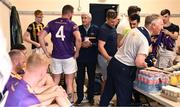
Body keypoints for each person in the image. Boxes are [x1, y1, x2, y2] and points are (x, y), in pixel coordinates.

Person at [99, 14, 164, 106]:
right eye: (161, 24)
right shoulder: (145, 40)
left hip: (114, 63)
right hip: (124, 70)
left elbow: (120, 44)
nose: (162, 27)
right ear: (152, 25)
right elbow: (138, 62)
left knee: (107, 94)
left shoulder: (134, 30)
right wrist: (147, 66)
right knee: (124, 101)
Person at [38, 5, 81, 103]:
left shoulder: (52, 23)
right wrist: (77, 52)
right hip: (69, 57)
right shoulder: (72, 24)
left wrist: (45, 51)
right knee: (69, 83)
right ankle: (69, 103)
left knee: (55, 82)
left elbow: (40, 36)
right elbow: (78, 39)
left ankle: (53, 103)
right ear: (70, 13)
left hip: (56, 57)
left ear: (63, 12)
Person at [5, 53, 71, 107]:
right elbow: (32, 100)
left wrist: (56, 92)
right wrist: (56, 93)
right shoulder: (24, 97)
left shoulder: (18, 82)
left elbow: (34, 96)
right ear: (42, 73)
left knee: (57, 96)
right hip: (24, 103)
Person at [75, 12, 99, 105]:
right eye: (82, 18)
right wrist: (81, 44)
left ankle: (90, 97)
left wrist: (91, 44)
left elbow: (99, 43)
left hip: (91, 58)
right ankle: (80, 98)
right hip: (80, 58)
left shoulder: (96, 29)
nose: (83, 20)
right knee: (80, 79)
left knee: (91, 79)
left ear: (90, 19)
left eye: (85, 18)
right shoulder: (78, 29)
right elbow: (74, 42)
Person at [97, 9, 117, 93]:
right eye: (111, 22)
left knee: (110, 79)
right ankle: (103, 101)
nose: (113, 23)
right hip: (104, 58)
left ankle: (106, 100)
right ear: (107, 19)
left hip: (111, 57)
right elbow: (100, 47)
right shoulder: (104, 29)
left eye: (115, 21)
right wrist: (108, 58)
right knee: (106, 79)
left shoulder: (112, 27)